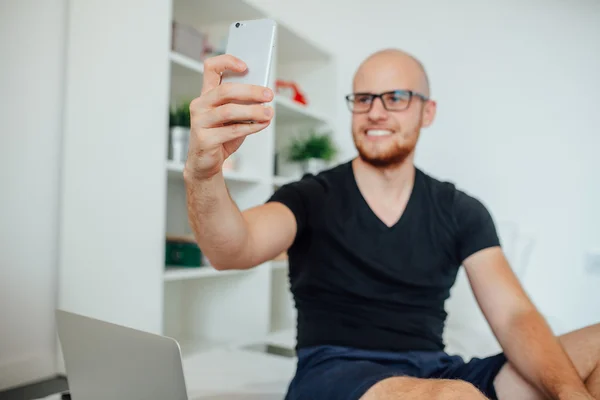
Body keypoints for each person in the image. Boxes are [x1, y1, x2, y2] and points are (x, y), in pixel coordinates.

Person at [184, 49, 600, 400]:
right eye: (363, 98)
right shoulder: (311, 196)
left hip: (438, 372)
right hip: (335, 373)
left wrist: (571, 395)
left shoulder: (461, 210)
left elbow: (513, 316)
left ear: (427, 111)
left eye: (395, 97)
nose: (376, 112)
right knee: (456, 397)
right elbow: (231, 250)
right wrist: (204, 174)